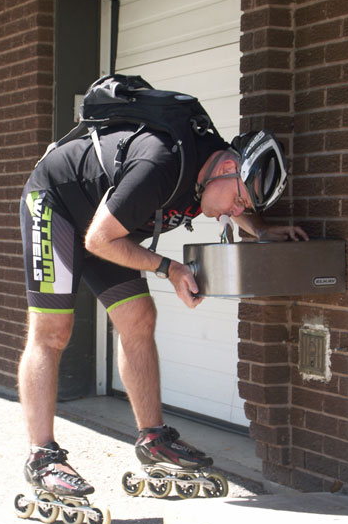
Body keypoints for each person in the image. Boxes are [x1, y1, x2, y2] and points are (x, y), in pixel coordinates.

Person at [19, 94, 307, 497]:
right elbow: (100, 240)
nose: (234, 211)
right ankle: (42, 456)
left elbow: (227, 195)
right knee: (53, 331)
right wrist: (170, 269)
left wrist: (258, 229)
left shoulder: (213, 165)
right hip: (58, 206)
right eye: (240, 199)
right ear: (226, 167)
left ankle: (153, 439)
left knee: (139, 317)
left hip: (108, 226)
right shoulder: (160, 165)